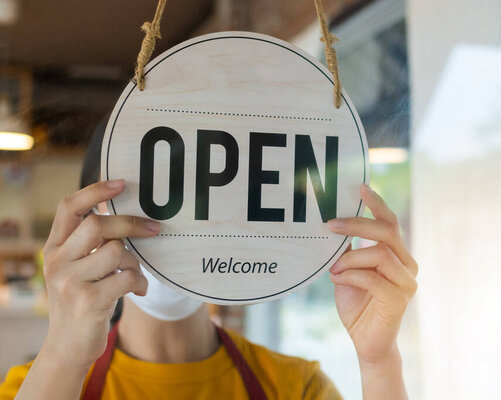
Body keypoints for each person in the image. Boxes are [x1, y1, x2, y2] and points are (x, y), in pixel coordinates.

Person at [0, 122, 418, 399]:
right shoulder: (39, 385)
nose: (168, 228)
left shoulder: (296, 388)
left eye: (198, 200)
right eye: (151, 202)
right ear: (90, 227)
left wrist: (380, 361)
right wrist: (62, 356)